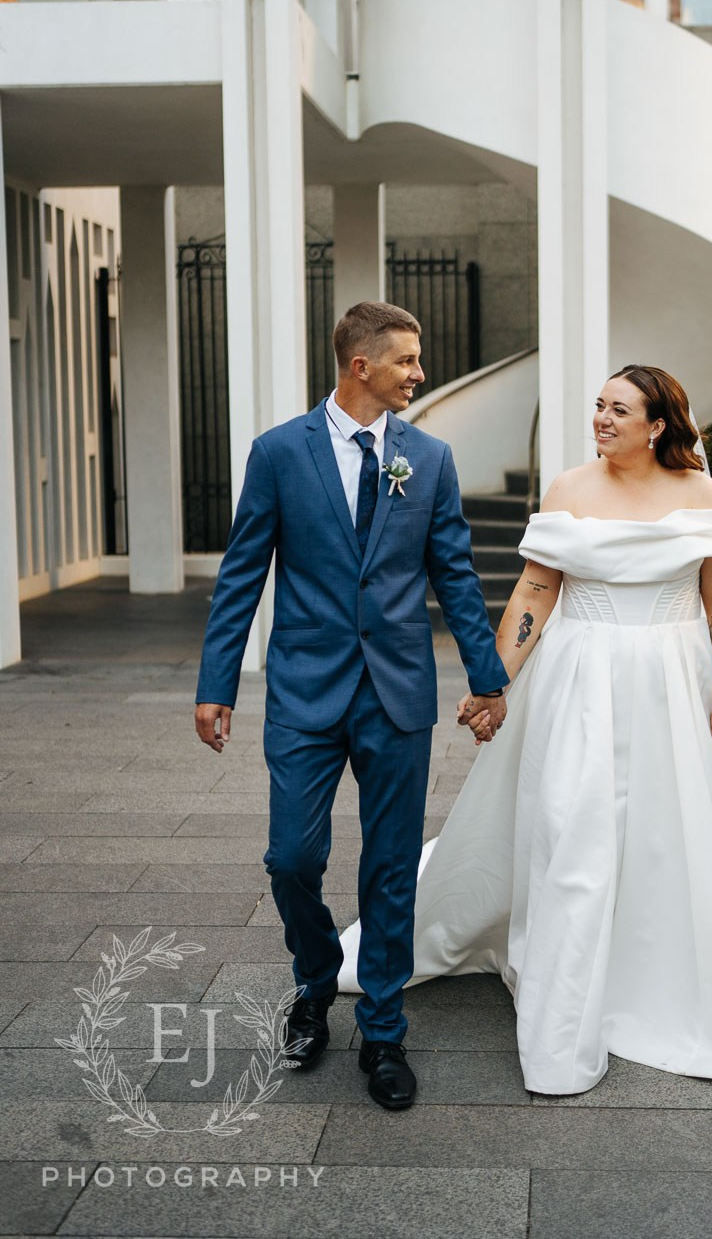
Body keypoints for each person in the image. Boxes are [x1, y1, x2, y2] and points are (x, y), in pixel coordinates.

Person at [338, 364, 712, 1093]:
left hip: (671, 679)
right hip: (578, 678)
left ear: (657, 425)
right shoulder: (569, 488)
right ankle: (565, 991)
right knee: (572, 822)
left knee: (665, 827)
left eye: (619, 409)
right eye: (599, 405)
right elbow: (535, 592)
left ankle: (653, 966)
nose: (601, 418)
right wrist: (494, 683)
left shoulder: (699, 492)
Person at [194, 301, 508, 1111]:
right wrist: (216, 684)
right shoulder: (278, 453)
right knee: (292, 857)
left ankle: (384, 1029)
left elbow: (455, 574)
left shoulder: (428, 458)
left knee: (392, 866)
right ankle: (313, 982)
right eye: (407, 360)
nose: (420, 374)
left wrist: (488, 677)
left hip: (397, 692)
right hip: (305, 687)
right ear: (360, 365)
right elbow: (242, 573)